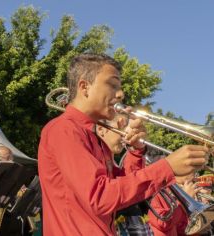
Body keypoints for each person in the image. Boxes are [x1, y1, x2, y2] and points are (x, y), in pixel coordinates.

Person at [38, 53, 209, 235]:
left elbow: (126, 191)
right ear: (84, 86)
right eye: (112, 85)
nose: (121, 94)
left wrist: (136, 151)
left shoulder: (93, 136)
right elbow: (100, 197)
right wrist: (167, 167)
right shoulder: (64, 129)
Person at [95, 115, 154, 236]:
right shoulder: (91, 157)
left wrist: (137, 150)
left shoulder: (110, 162)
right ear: (101, 129)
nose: (125, 134)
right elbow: (106, 197)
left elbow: (127, 181)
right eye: (121, 126)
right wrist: (167, 168)